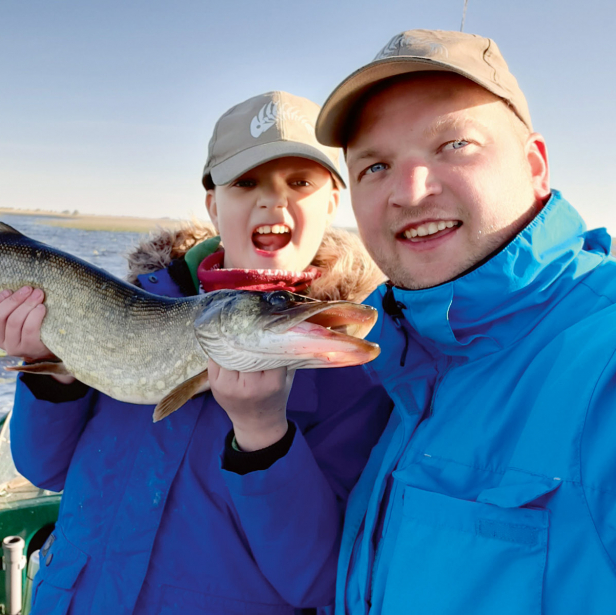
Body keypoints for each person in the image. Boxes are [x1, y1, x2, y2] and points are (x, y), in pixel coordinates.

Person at [224, 29, 616, 613]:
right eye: (376, 165)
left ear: (535, 165)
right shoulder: (405, 363)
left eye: (454, 145)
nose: (409, 191)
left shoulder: (601, 358)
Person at [0, 91, 392, 614]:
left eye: (300, 182)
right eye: (246, 182)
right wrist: (48, 372)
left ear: (333, 202)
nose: (273, 201)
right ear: (214, 206)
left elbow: (318, 581)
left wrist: (264, 437)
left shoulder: (348, 373)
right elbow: (47, 469)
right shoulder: (136, 305)